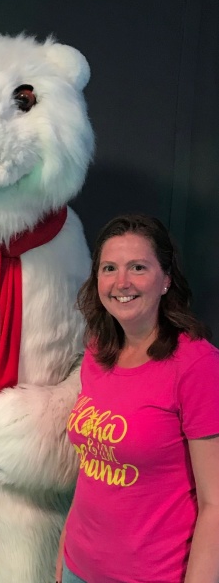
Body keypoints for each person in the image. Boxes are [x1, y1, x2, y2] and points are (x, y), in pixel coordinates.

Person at [56, 214, 219, 583]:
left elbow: (216, 505)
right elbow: (93, 465)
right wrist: (66, 547)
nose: (121, 282)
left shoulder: (196, 365)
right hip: (77, 567)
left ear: (166, 280)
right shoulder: (98, 352)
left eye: (138, 267)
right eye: (109, 268)